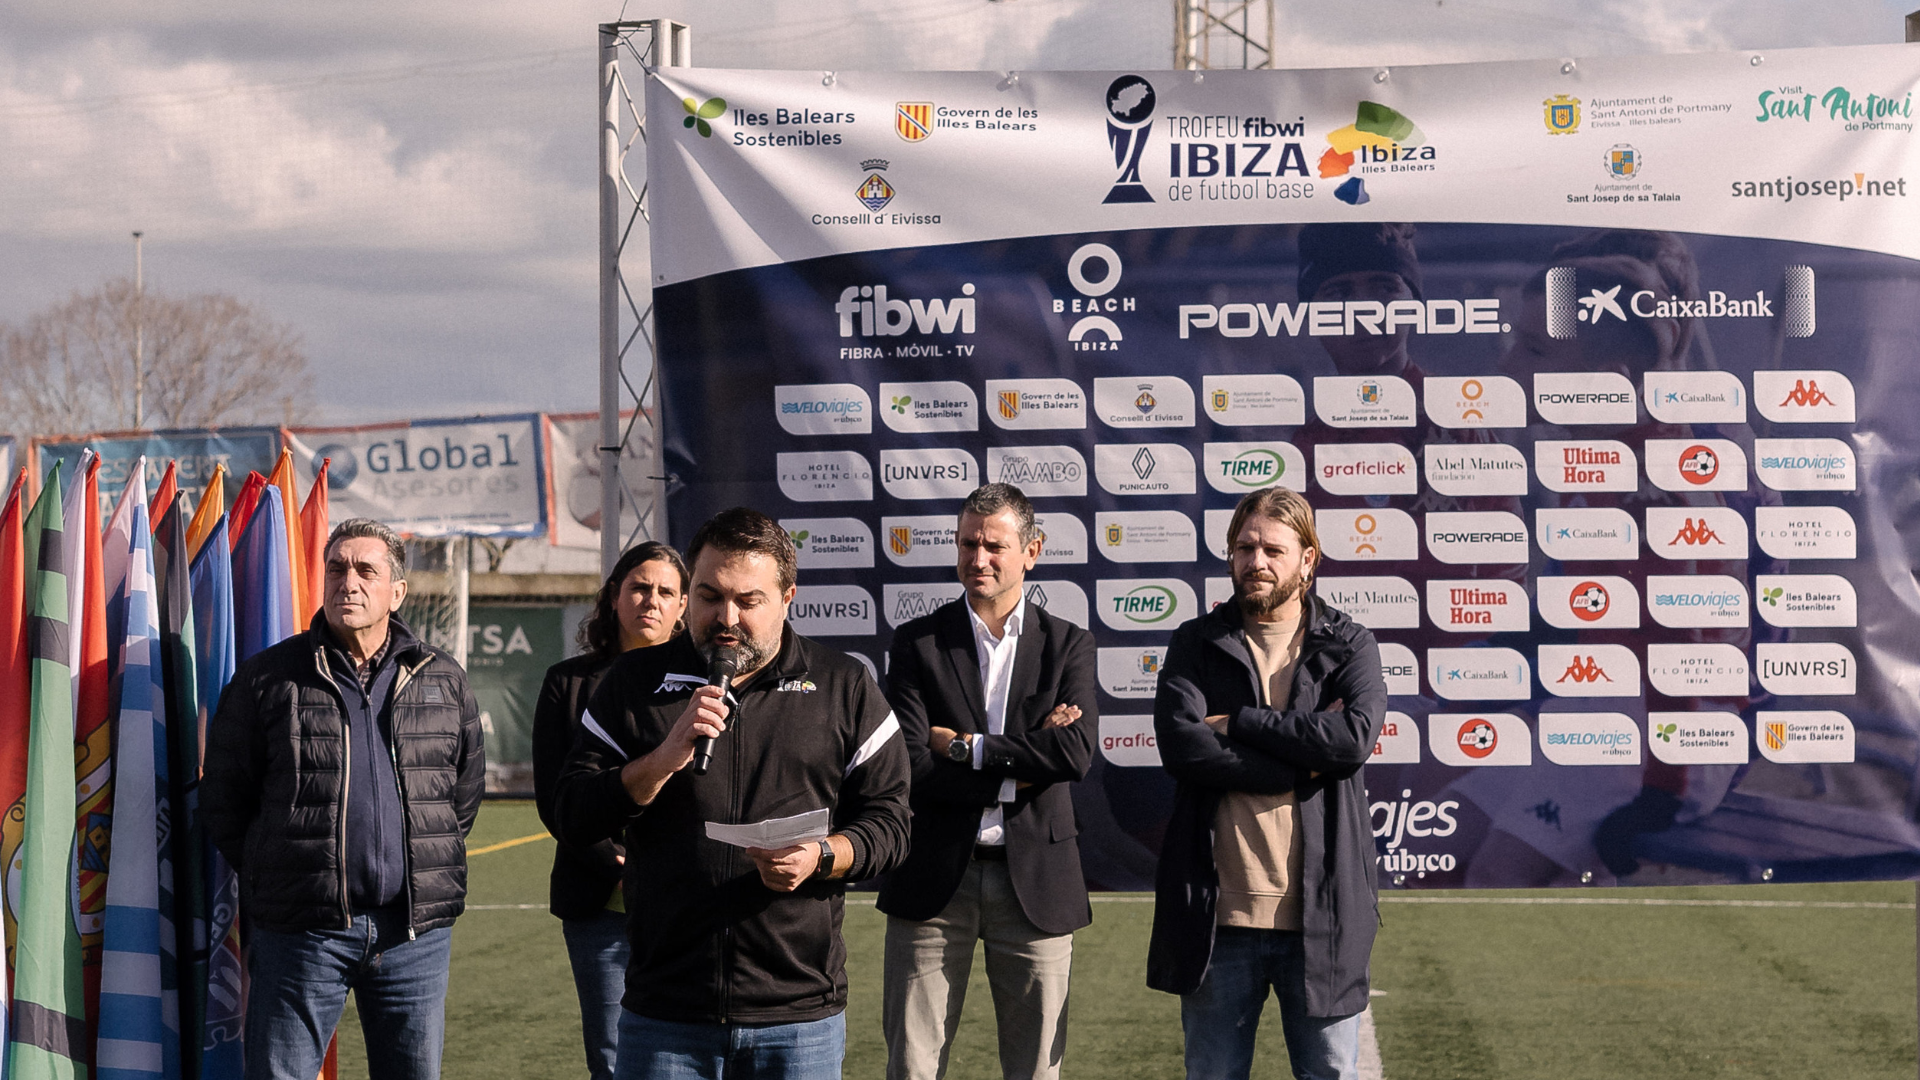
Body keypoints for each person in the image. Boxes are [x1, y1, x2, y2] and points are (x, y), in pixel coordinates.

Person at [552, 507, 910, 1080]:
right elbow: (572, 812)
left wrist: (822, 856)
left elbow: (891, 822)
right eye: (710, 596)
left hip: (798, 1015)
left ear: (787, 597)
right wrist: (660, 762)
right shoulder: (633, 683)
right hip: (666, 1013)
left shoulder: (843, 685)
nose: (726, 617)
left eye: (748, 601)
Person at [204, 518, 485, 1080]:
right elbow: (225, 798)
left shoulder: (443, 679)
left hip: (412, 937)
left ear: (397, 592)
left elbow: (462, 795)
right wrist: (280, 871)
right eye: (336, 568)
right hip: (302, 934)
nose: (348, 582)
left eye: (365, 571)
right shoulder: (267, 678)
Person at [1148, 488, 1387, 1080]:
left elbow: (1352, 740)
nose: (1256, 561)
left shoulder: (1348, 644)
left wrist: (1242, 723)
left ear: (1308, 560)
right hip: (1218, 920)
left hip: (1322, 918)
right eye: (1244, 548)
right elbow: (1183, 748)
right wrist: (1301, 765)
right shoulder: (1196, 643)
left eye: (1273, 550)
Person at [877, 484, 1098, 1080]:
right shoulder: (918, 643)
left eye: (994, 546)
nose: (978, 558)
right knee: (913, 1067)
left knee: (1036, 1070)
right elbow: (911, 764)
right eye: (967, 543)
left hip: (1037, 885)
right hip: (931, 882)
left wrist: (966, 747)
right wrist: (1023, 767)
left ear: (1032, 551)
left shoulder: (1069, 644)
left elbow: (1073, 754)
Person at [533, 542, 689, 1080]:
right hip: (598, 902)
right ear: (615, 596)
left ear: (683, 605)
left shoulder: (704, 685)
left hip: (684, 899)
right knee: (612, 1054)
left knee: (689, 1049)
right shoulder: (567, 682)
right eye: (639, 588)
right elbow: (556, 798)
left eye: (666, 591)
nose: (651, 600)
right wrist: (615, 862)